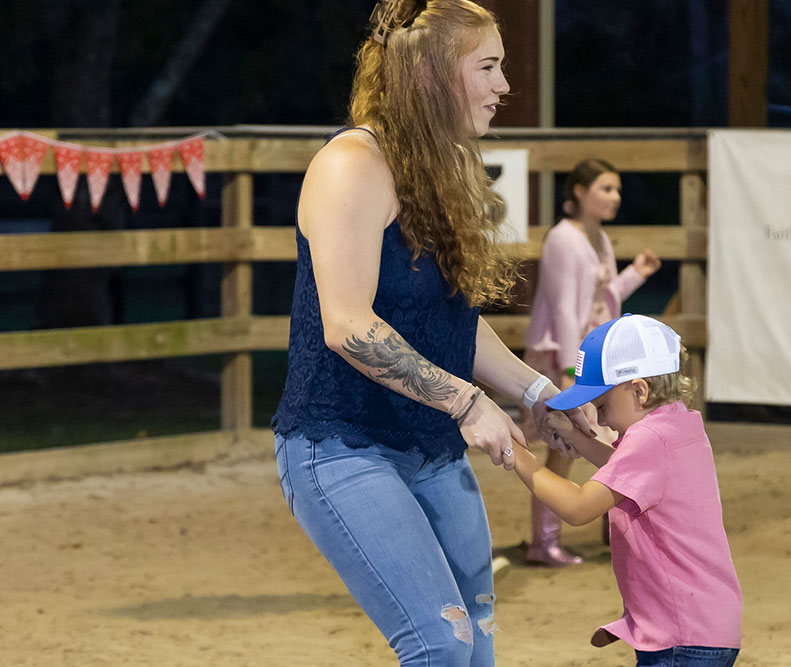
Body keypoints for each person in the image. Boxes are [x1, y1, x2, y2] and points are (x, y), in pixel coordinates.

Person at [270, 2, 588, 664]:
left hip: (431, 447)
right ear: (429, 74)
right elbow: (348, 324)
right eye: (488, 67)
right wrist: (467, 402)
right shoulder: (351, 164)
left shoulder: (445, 168)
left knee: (476, 644)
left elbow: (452, 326)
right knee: (441, 644)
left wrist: (538, 392)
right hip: (342, 444)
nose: (504, 86)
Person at [511, 314, 743, 667]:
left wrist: (516, 453)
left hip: (680, 637)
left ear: (639, 390)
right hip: (704, 626)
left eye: (602, 406)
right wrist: (574, 436)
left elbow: (578, 508)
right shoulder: (678, 424)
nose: (601, 419)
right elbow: (625, 473)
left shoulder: (648, 439)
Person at [520, 158, 662, 566]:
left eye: (617, 190)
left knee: (609, 437)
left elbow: (604, 297)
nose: (615, 197)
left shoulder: (598, 237)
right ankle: (544, 540)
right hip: (569, 357)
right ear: (579, 192)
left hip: (598, 358)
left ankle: (612, 527)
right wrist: (570, 373)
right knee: (565, 444)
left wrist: (636, 274)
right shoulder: (563, 239)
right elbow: (565, 309)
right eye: (606, 188)